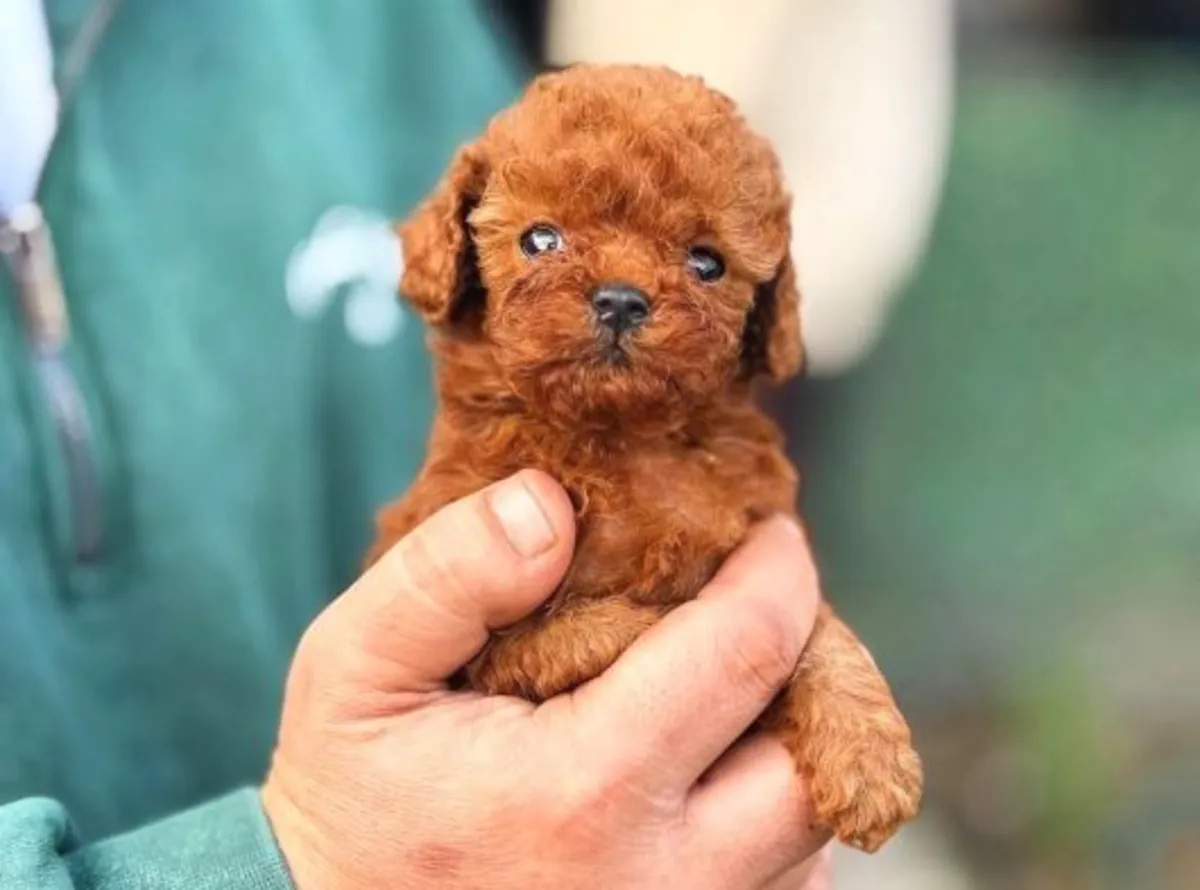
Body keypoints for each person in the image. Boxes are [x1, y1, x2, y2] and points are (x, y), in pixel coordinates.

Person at [1, 3, 832, 888]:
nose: (620, 294)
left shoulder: (397, 35)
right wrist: (306, 861)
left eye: (703, 265)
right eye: (544, 244)